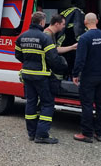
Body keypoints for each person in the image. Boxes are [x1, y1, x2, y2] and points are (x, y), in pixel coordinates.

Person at [15, 11, 67, 144]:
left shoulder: (22, 37)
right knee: (47, 103)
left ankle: (32, 133)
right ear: (42, 22)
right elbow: (52, 58)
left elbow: (18, 55)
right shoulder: (44, 38)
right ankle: (42, 135)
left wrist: (29, 63)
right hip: (41, 75)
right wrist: (61, 67)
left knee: (31, 102)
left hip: (27, 74)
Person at [72, 12, 101, 143]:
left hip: (89, 76)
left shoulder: (84, 38)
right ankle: (100, 133)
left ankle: (86, 134)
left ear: (85, 23)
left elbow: (80, 60)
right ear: (96, 21)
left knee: (87, 105)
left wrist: (75, 74)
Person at [43, 14, 78, 98]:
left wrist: (72, 47)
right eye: (63, 24)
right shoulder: (47, 35)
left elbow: (55, 49)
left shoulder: (50, 34)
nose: (64, 26)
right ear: (57, 24)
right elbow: (52, 54)